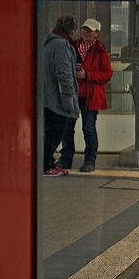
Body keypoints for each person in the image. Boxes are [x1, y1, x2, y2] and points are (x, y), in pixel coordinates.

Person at [57, 18, 113, 173]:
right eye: (84, 29)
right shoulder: (72, 46)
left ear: (97, 33)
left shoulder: (100, 50)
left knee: (88, 129)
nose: (86, 32)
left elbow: (107, 74)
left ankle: (89, 161)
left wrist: (87, 75)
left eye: (90, 30)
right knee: (67, 128)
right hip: (72, 94)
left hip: (90, 96)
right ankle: (66, 158)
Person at [43, 15, 79, 175]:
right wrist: (69, 101)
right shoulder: (61, 45)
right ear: (73, 31)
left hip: (47, 98)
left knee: (50, 133)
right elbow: (64, 75)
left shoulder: (49, 41)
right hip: (56, 100)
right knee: (55, 134)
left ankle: (48, 163)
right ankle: (46, 166)